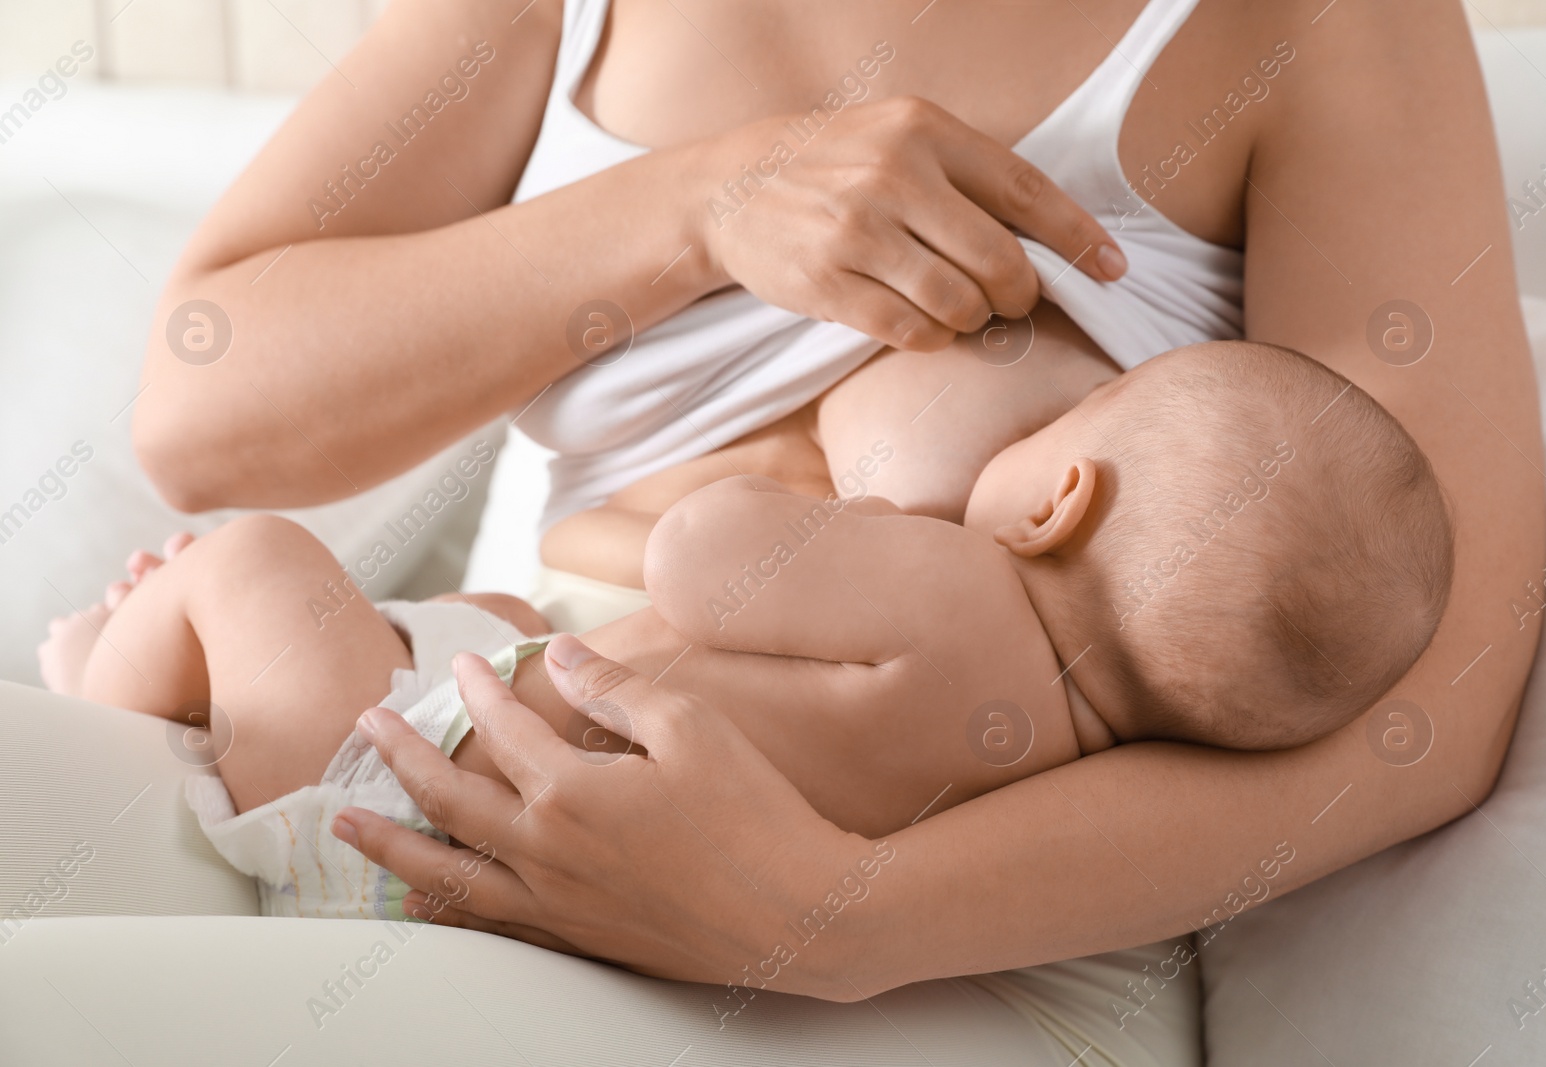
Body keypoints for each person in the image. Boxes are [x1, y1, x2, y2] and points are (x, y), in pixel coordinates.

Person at [104, 0, 1542, 1058]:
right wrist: (696, 209)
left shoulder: (1318, 26)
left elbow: (1434, 684)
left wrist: (845, 915)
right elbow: (200, 411)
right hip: (486, 714)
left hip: (969, 938)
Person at [43, 340, 1453, 922]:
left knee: (257, 558)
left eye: (1053, 423)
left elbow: (699, 560)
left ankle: (95, 689)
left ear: (1057, 496)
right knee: (508, 617)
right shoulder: (1065, 762)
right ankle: (189, 696)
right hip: (496, 840)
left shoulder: (958, 585)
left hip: (402, 783)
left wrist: (868, 497)